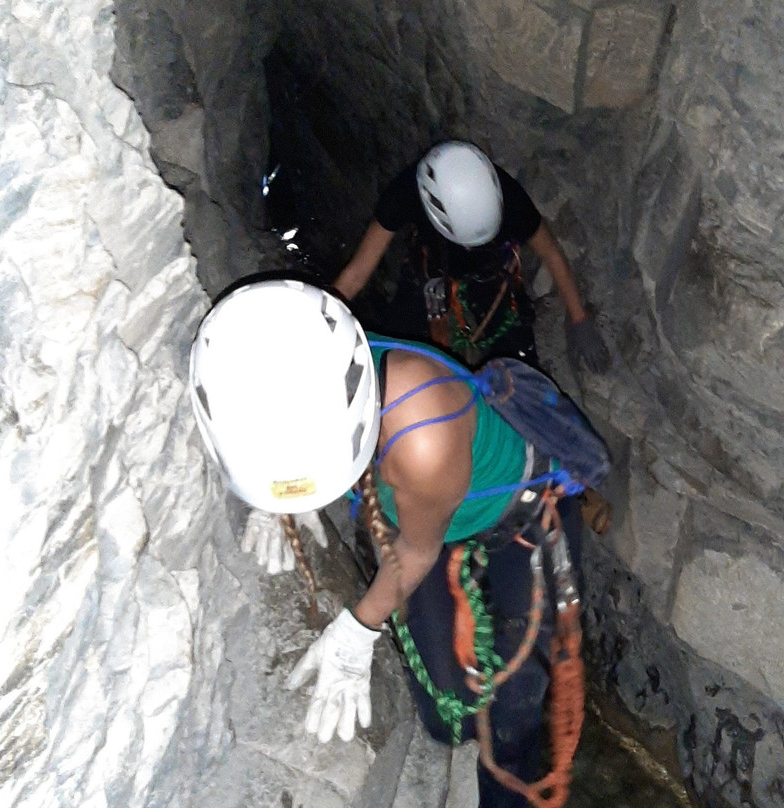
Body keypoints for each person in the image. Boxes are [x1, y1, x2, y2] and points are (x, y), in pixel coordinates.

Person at [188, 277, 587, 808]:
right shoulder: (300, 361)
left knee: (511, 714)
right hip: (423, 517)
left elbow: (419, 551)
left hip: (524, 517)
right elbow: (277, 414)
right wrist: (276, 496)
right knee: (450, 719)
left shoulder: (421, 431)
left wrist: (357, 630)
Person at [333, 140, 610, 372]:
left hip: (493, 276)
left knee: (520, 367)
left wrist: (579, 318)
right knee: (392, 360)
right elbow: (357, 273)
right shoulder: (405, 193)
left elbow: (550, 252)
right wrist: (321, 320)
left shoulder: (511, 199)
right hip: (432, 271)